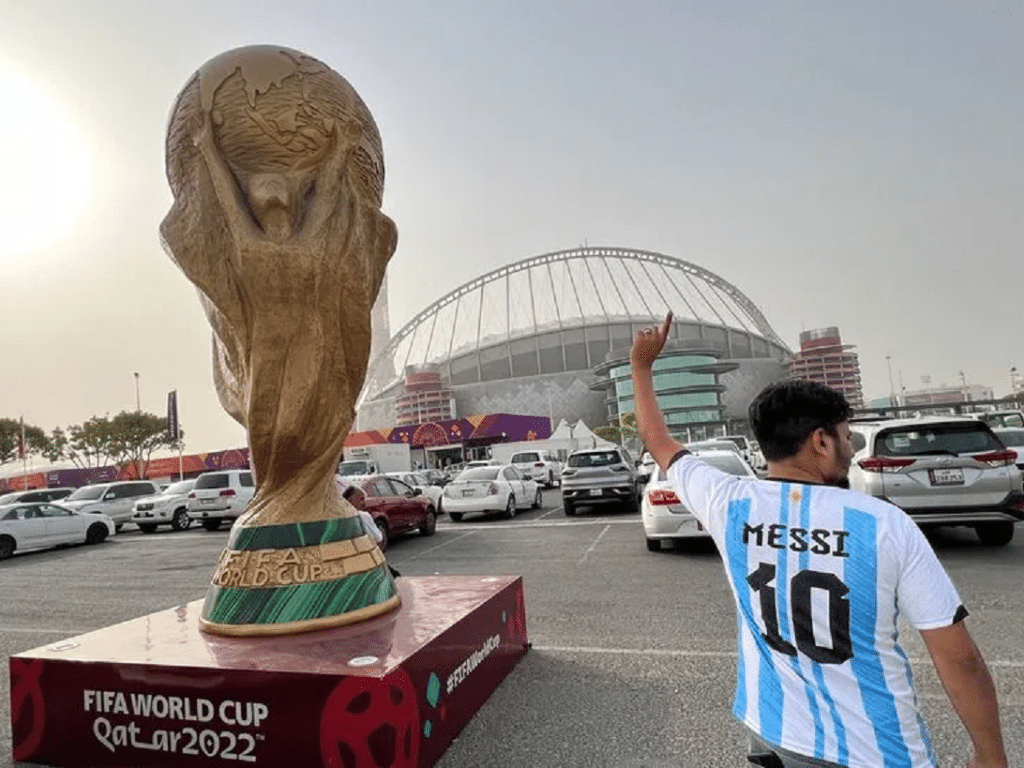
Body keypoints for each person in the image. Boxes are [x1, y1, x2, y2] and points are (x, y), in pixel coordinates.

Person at [631, 313, 1006, 768]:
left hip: (774, 732)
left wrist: (642, 367)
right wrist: (989, 753)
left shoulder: (728, 501)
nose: (850, 448)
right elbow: (957, 658)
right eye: (847, 437)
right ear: (821, 442)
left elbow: (657, 441)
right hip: (874, 751)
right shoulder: (884, 524)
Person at [340, 483, 401, 578]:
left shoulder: (337, 518)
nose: (364, 503)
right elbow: (378, 539)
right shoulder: (363, 516)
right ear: (350, 500)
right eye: (361, 499)